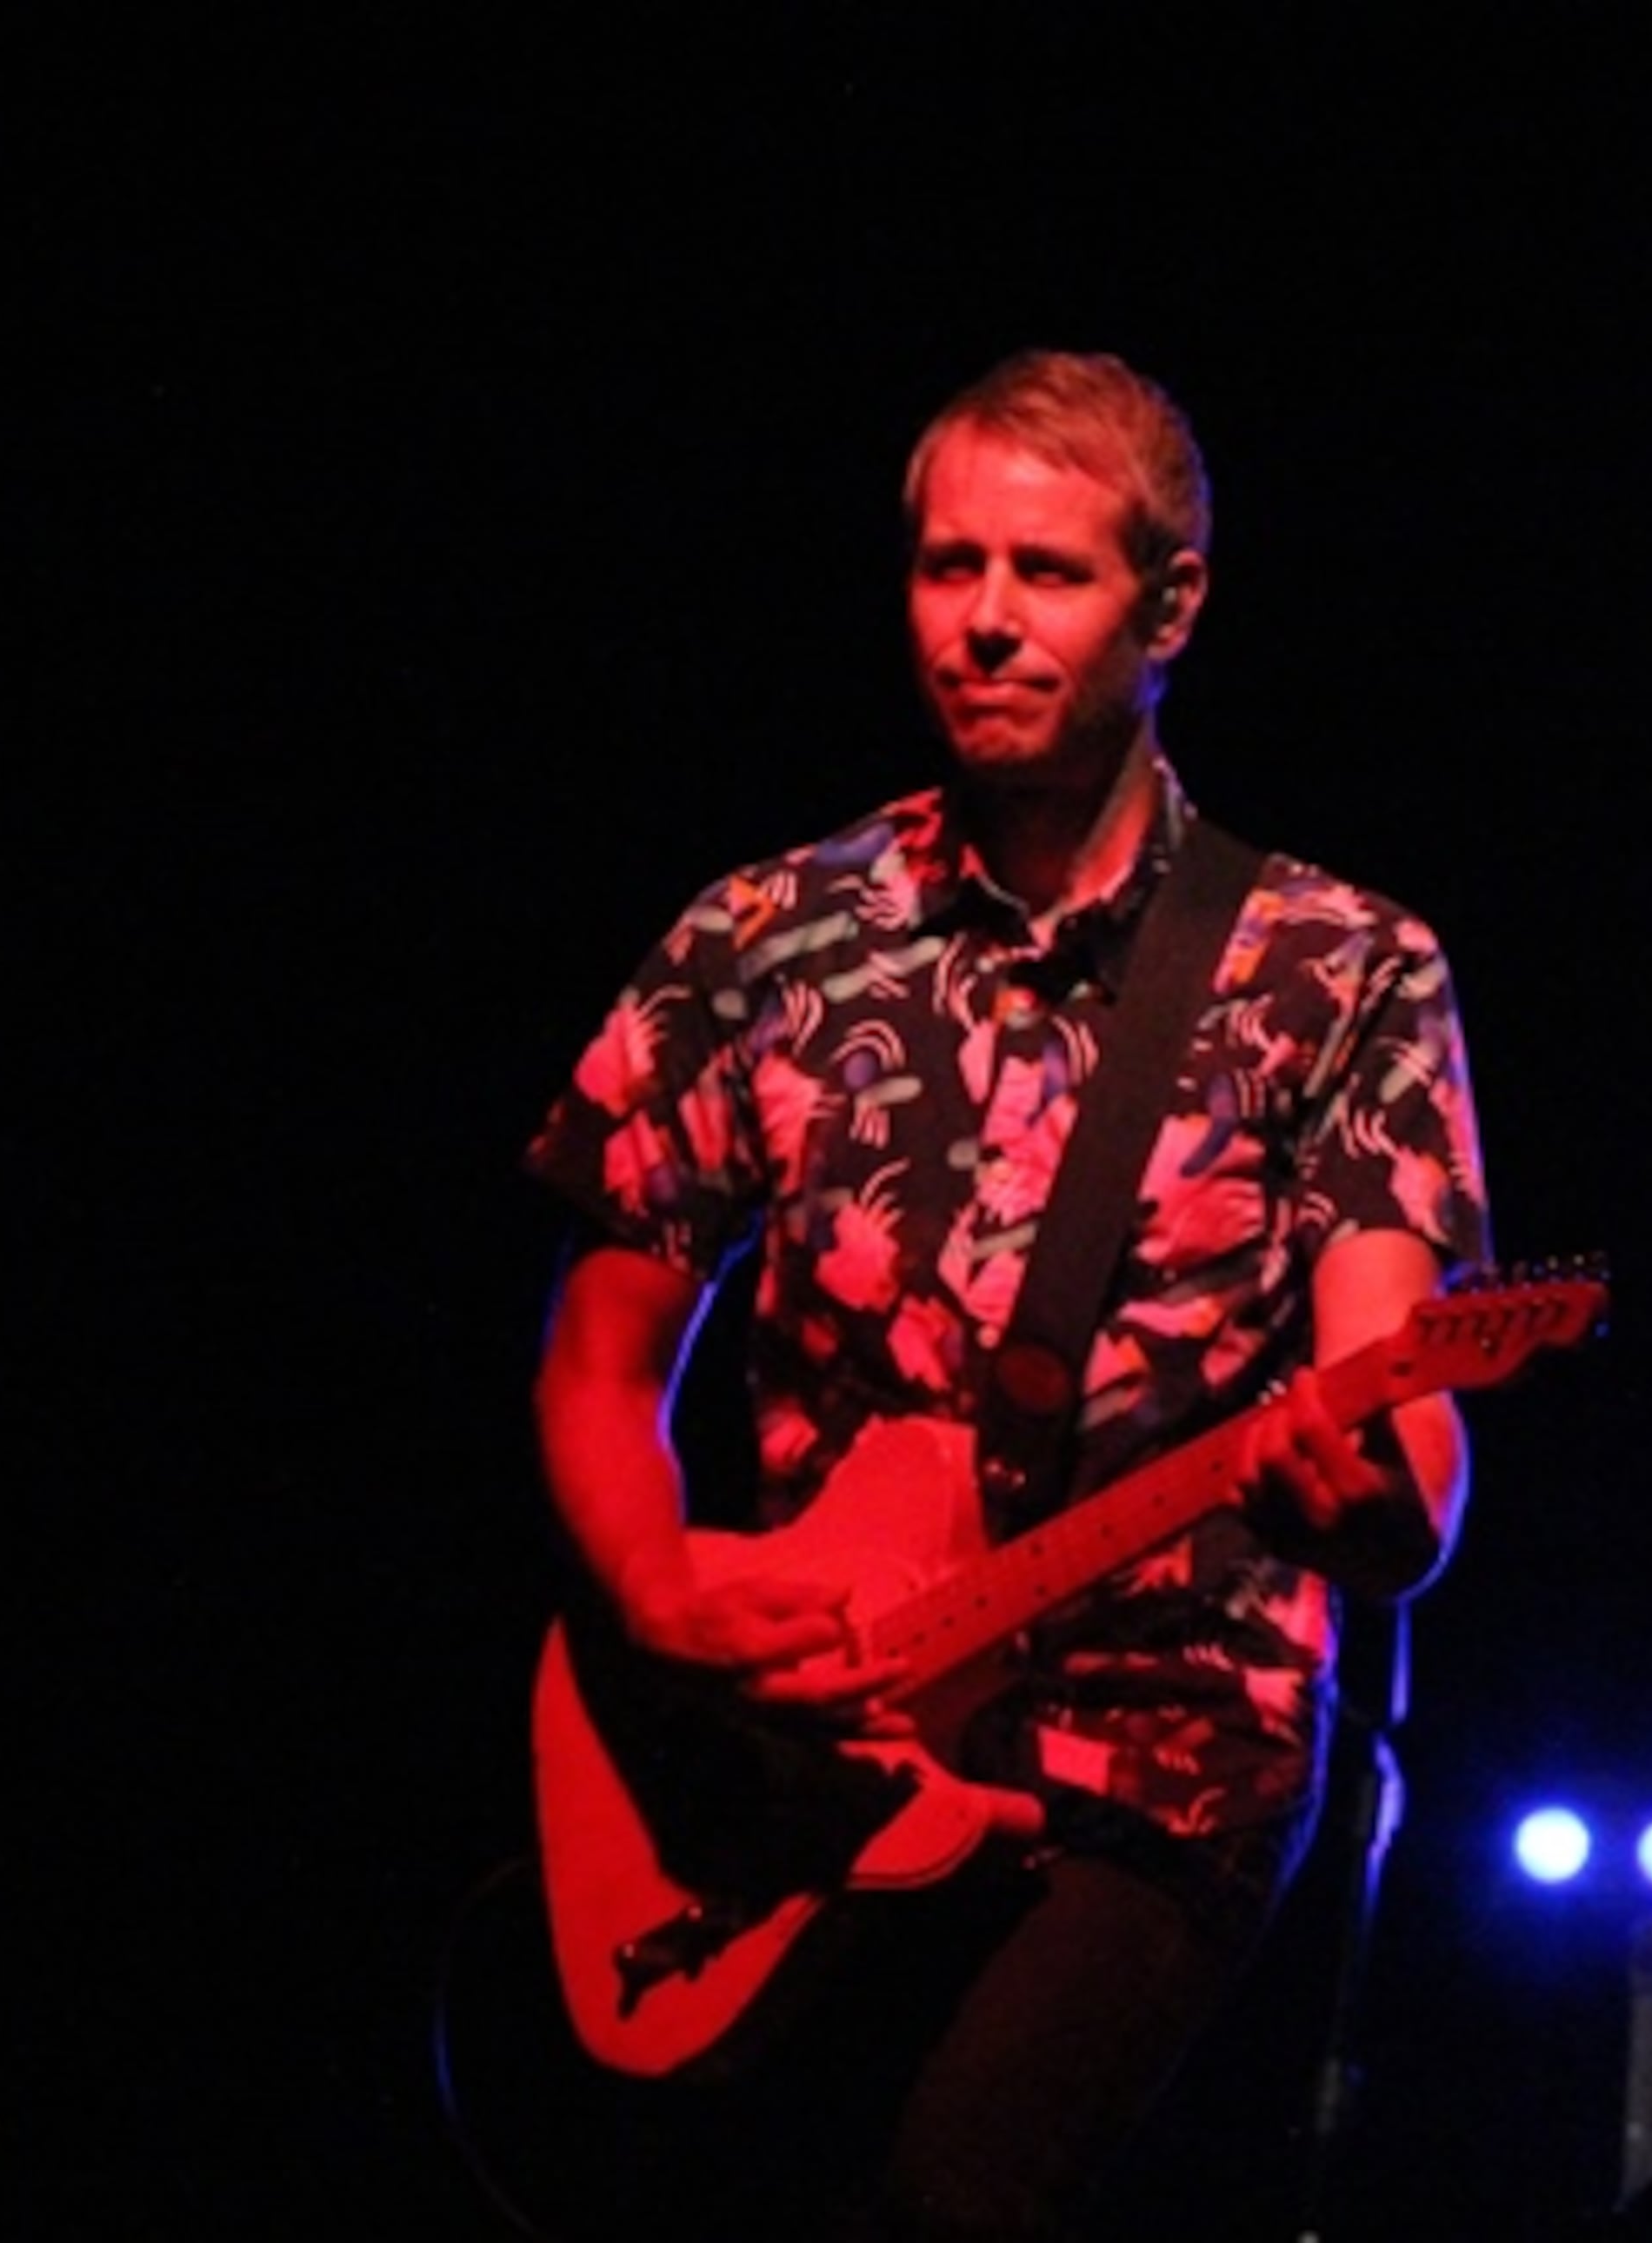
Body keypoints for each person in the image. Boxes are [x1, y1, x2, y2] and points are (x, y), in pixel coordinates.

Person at [523, 348, 1490, 2239]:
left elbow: (1405, 1419)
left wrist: (1373, 1501)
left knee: (956, 2198)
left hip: (1162, 1745)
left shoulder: (1341, 969)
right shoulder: (765, 937)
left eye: (1046, 575)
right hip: (835, 1733)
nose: (981, 622)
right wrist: (657, 1589)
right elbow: (595, 1355)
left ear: (1172, 606)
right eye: (945, 568)